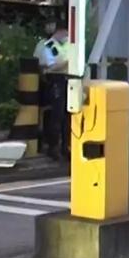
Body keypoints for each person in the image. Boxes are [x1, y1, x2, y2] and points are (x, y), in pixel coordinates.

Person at [34, 21, 71, 160]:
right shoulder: (49, 45)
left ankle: (66, 146)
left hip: (70, 80)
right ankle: (53, 147)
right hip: (57, 80)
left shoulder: (69, 44)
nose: (67, 36)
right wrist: (67, 62)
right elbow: (52, 66)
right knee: (57, 115)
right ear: (59, 32)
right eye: (65, 33)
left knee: (68, 116)